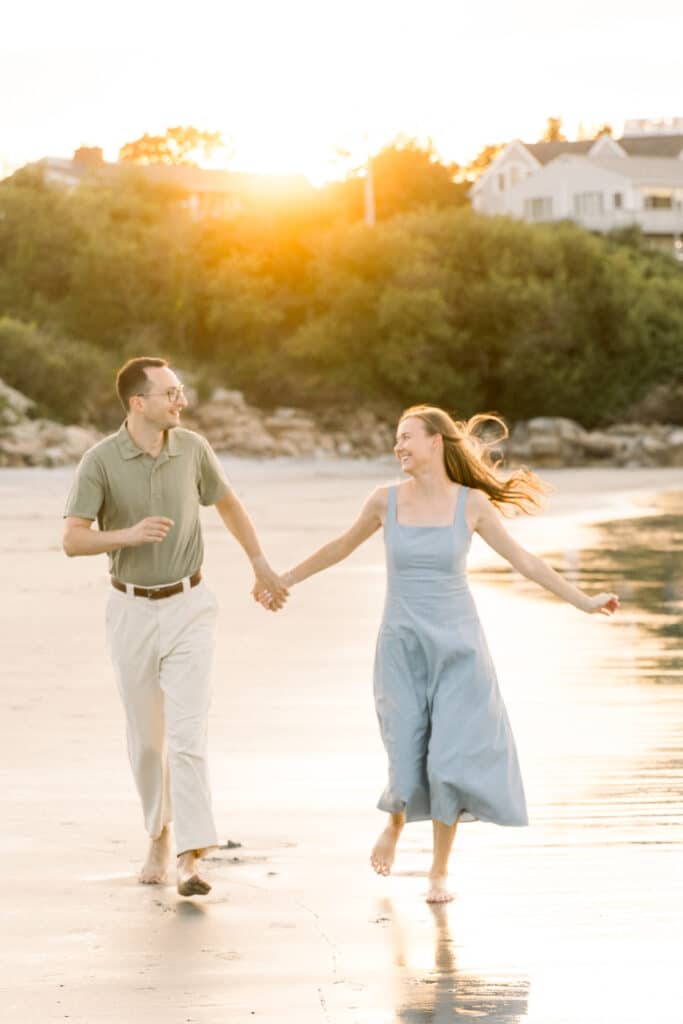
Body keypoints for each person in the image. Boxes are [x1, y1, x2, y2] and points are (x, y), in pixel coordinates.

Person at [258, 405, 619, 903]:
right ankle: (396, 820)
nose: (398, 446)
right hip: (402, 648)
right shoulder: (383, 501)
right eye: (395, 439)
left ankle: (439, 872)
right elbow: (340, 547)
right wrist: (284, 579)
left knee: (447, 762)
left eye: (406, 437)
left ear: (435, 442)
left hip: (459, 649)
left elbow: (524, 561)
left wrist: (584, 601)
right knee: (406, 752)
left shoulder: (471, 505)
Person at [63, 357, 288, 897]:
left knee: (188, 736)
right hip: (130, 610)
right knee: (147, 741)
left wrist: (259, 563)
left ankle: (192, 855)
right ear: (138, 402)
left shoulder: (192, 449)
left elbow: (228, 504)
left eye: (180, 390)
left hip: (191, 605)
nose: (180, 401)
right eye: (169, 393)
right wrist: (128, 535)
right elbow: (73, 539)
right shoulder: (99, 461)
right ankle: (158, 833)